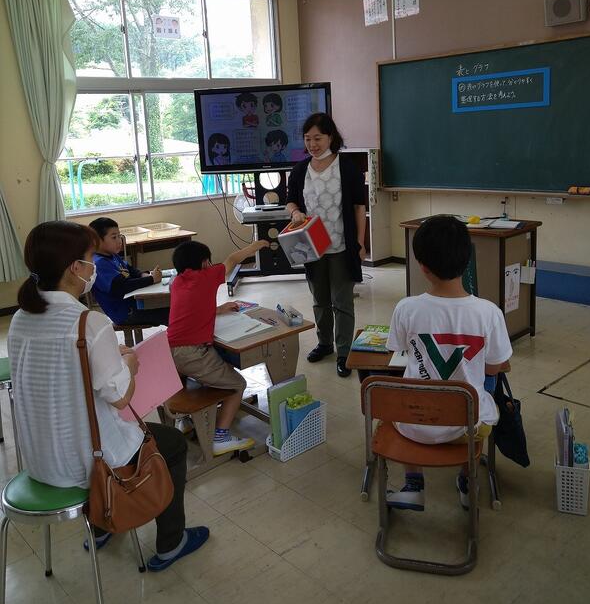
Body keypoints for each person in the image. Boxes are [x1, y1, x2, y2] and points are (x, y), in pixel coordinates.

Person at [7, 221, 209, 571]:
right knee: (173, 445)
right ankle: (170, 542)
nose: (93, 268)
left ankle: (100, 528)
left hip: (40, 459)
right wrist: (128, 363)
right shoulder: (88, 323)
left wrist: (106, 357)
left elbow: (61, 371)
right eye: (89, 259)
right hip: (86, 463)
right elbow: (119, 397)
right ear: (75, 267)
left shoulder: (21, 318)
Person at [385, 215, 512, 511]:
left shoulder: (406, 308)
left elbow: (399, 350)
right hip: (466, 427)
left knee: (407, 382)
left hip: (412, 423)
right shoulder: (489, 313)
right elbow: (494, 367)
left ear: (423, 267)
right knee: (484, 389)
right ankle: (467, 482)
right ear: (467, 260)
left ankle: (413, 485)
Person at [168, 237, 269, 455]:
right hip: (193, 354)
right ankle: (220, 438)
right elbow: (232, 259)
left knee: (211, 370)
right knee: (237, 385)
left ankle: (185, 420)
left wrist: (219, 310)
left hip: (171, 355)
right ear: (205, 263)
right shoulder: (206, 276)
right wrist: (254, 247)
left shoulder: (176, 282)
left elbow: (191, 309)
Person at [286, 113, 366, 378]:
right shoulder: (300, 170)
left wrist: (360, 243)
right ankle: (324, 344)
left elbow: (359, 207)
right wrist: (295, 212)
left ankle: (344, 352)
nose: (312, 144)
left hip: (341, 245)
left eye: (317, 138)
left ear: (331, 137)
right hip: (312, 246)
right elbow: (291, 200)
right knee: (319, 299)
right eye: (307, 139)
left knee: (342, 301)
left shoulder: (347, 167)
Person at [89, 217, 170, 326]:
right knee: (171, 312)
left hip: (134, 304)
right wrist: (151, 279)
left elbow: (131, 270)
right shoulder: (99, 263)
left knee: (173, 304)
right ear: (97, 241)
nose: (119, 240)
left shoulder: (113, 256)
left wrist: (143, 274)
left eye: (119, 236)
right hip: (126, 313)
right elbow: (122, 287)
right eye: (114, 237)